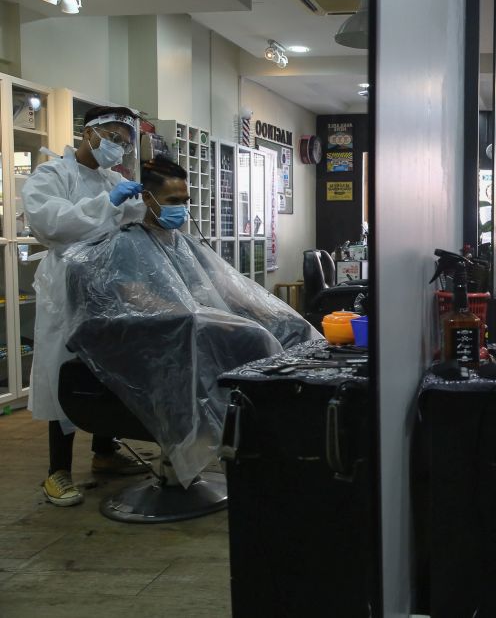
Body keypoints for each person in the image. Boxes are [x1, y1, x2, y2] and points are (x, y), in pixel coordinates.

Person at [62, 157, 320, 487]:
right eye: (173, 201)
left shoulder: (185, 244)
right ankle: (245, 445)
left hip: (198, 332)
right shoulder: (126, 243)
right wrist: (195, 315)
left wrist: (270, 310)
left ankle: (291, 440)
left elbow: (227, 288)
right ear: (147, 198)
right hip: (155, 347)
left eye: (185, 201)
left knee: (292, 329)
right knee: (255, 340)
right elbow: (133, 296)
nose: (182, 209)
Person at [23, 106, 147, 507]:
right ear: (89, 132)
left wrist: (157, 211)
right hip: (68, 287)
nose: (119, 147)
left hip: (109, 285)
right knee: (66, 369)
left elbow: (132, 224)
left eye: (125, 142)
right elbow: (51, 224)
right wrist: (106, 204)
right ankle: (57, 470)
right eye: (113, 136)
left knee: (106, 367)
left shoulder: (115, 178)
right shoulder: (52, 175)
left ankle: (104, 453)